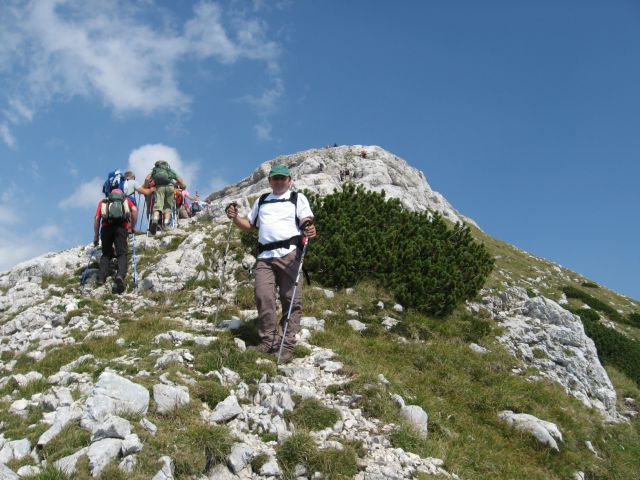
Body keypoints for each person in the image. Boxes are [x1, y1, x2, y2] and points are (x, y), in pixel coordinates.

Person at [225, 164, 317, 363]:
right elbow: (249, 225)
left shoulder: (297, 198)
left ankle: (286, 345)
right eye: (275, 178)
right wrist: (234, 218)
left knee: (290, 299)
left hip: (290, 254)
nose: (279, 181)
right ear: (270, 181)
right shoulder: (263, 200)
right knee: (262, 295)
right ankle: (269, 341)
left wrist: (309, 226)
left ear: (289, 180)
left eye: (283, 178)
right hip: (265, 256)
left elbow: (306, 219)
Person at [93, 188, 135, 293]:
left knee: (106, 253)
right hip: (121, 227)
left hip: (106, 228)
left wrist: (96, 236)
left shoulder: (103, 202)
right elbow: (134, 210)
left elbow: (97, 218)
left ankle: (101, 278)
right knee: (122, 253)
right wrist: (132, 227)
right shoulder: (125, 200)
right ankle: (120, 275)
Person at [147, 160, 184, 234]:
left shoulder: (154, 171)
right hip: (170, 187)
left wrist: (147, 185)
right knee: (167, 207)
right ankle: (166, 225)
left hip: (159, 188)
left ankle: (154, 221)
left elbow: (147, 179)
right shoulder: (169, 170)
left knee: (157, 206)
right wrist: (175, 184)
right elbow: (180, 180)